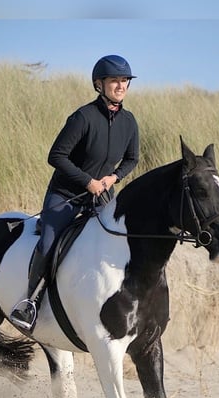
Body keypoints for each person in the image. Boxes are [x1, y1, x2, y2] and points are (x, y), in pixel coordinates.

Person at [9, 54, 140, 331]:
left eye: (125, 80)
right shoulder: (83, 117)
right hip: (67, 193)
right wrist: (87, 181)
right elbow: (56, 156)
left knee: (121, 243)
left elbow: (132, 159)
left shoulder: (129, 122)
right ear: (99, 84)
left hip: (103, 195)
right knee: (48, 244)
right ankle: (31, 303)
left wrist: (111, 178)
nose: (121, 86)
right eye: (115, 80)